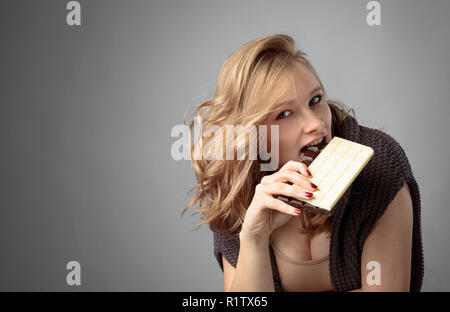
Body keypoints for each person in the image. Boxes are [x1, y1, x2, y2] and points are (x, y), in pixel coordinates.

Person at [182, 34, 423, 292]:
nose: (315, 124)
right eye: (284, 114)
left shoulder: (378, 163)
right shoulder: (237, 195)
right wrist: (254, 239)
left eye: (315, 100)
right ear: (251, 136)